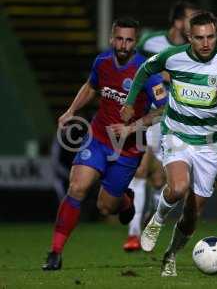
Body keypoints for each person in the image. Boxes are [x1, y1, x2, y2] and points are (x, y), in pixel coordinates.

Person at [120, 11, 217, 276]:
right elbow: (143, 70)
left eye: (210, 36)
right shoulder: (173, 56)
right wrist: (130, 102)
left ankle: (170, 255)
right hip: (176, 134)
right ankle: (157, 219)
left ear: (216, 34)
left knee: (192, 213)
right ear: (190, 37)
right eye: (199, 38)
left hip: (209, 144)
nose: (206, 43)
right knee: (177, 189)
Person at [42, 17, 168, 270]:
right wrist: (71, 111)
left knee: (106, 207)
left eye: (129, 40)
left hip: (130, 148)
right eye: (119, 39)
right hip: (99, 138)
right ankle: (55, 252)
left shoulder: (147, 71)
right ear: (112, 39)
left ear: (135, 42)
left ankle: (126, 202)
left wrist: (131, 127)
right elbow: (91, 87)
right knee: (77, 187)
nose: (123, 45)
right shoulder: (102, 62)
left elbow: (163, 110)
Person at [123, 0, 199, 252]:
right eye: (191, 18)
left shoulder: (197, 48)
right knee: (141, 170)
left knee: (161, 179)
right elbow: (135, 68)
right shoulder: (150, 42)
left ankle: (149, 219)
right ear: (178, 22)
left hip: (177, 118)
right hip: (150, 114)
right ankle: (133, 233)